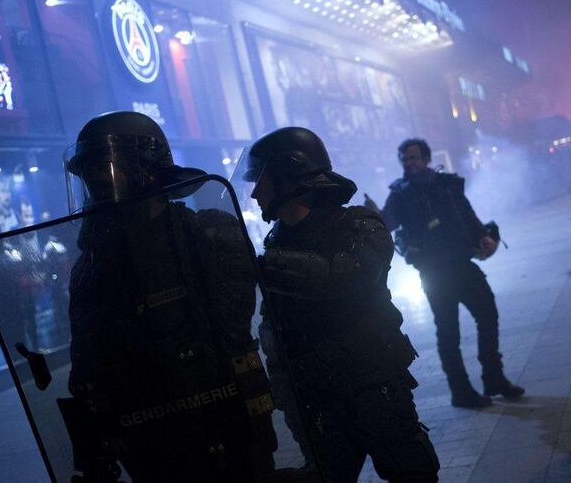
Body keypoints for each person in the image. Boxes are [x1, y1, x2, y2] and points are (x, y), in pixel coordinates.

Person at [60, 111, 277, 481]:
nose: (98, 187)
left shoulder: (205, 234)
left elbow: (230, 320)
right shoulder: (92, 266)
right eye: (90, 179)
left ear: (148, 170)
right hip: (151, 443)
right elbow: (86, 367)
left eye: (106, 173)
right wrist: (93, 448)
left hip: (223, 428)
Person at [243, 126, 440, 482]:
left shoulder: (357, 224)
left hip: (373, 388)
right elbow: (276, 329)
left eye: (262, 180)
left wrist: (268, 266)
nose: (255, 192)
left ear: (290, 175)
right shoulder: (277, 243)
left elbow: (342, 279)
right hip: (319, 399)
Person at [365, 138, 524, 408]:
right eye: (404, 158)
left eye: (414, 157)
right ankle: (460, 391)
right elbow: (388, 225)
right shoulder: (401, 193)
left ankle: (494, 378)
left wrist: (483, 235)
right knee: (448, 332)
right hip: (434, 272)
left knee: (488, 314)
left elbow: (465, 213)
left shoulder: (446, 184)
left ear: (427, 158)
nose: (409, 162)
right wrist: (375, 216)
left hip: (462, 264)